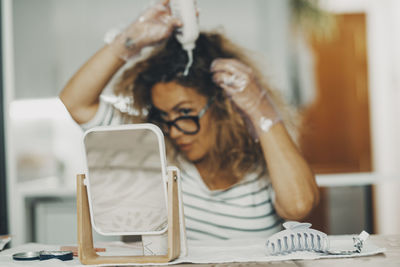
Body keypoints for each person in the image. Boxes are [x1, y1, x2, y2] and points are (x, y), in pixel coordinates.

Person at [60, 0, 319, 240]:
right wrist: (130, 40)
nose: (175, 132)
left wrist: (259, 107)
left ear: (221, 105)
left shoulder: (264, 160)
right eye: (164, 117)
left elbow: (299, 205)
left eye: (185, 113)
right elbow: (76, 102)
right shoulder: (158, 153)